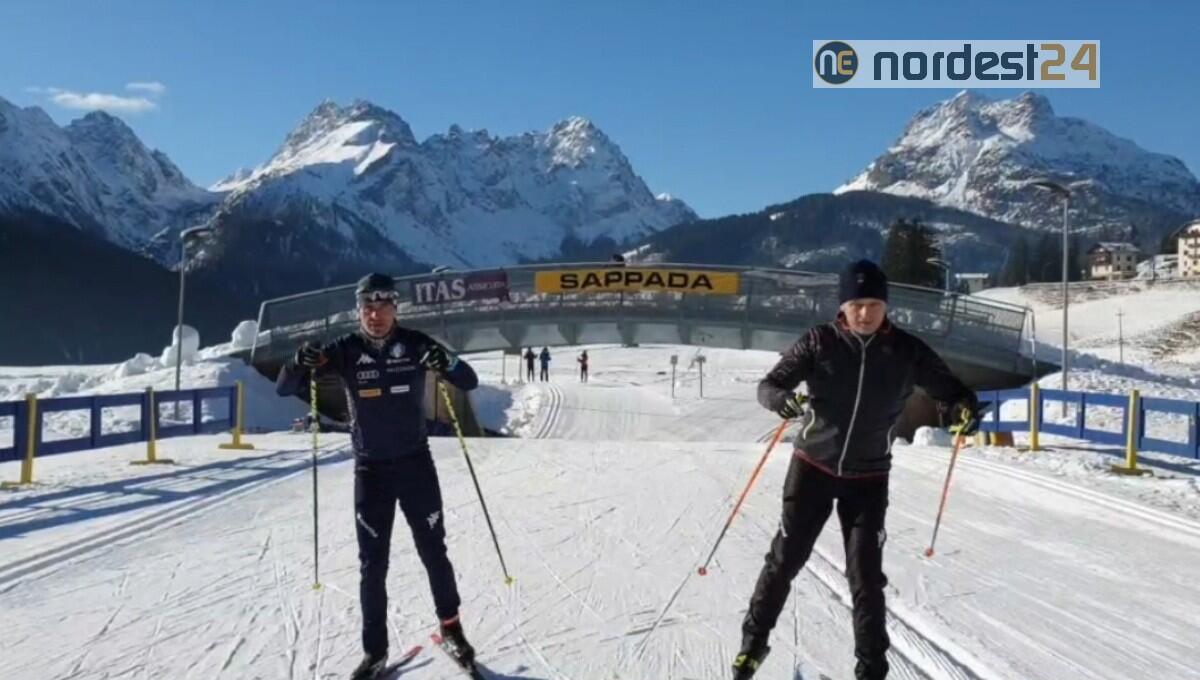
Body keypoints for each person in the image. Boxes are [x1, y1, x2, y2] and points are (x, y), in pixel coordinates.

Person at [732, 260, 981, 680]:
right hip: (812, 468)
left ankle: (871, 671)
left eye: (873, 304)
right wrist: (781, 401)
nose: (865, 313)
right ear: (842, 307)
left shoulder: (907, 351)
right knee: (785, 560)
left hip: (868, 478)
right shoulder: (819, 342)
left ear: (886, 305)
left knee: (866, 578)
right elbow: (769, 385)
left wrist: (963, 410)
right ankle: (751, 649)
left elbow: (956, 393)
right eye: (856, 304)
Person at [276, 273, 480, 680]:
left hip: (415, 465)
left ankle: (452, 628)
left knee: (434, 551)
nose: (375, 314)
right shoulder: (345, 350)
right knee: (373, 563)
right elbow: (286, 387)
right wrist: (298, 361)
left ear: (395, 309)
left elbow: (468, 380)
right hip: (371, 471)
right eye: (368, 307)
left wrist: (450, 364)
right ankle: (375, 652)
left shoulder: (417, 344)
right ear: (359, 311)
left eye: (383, 306)